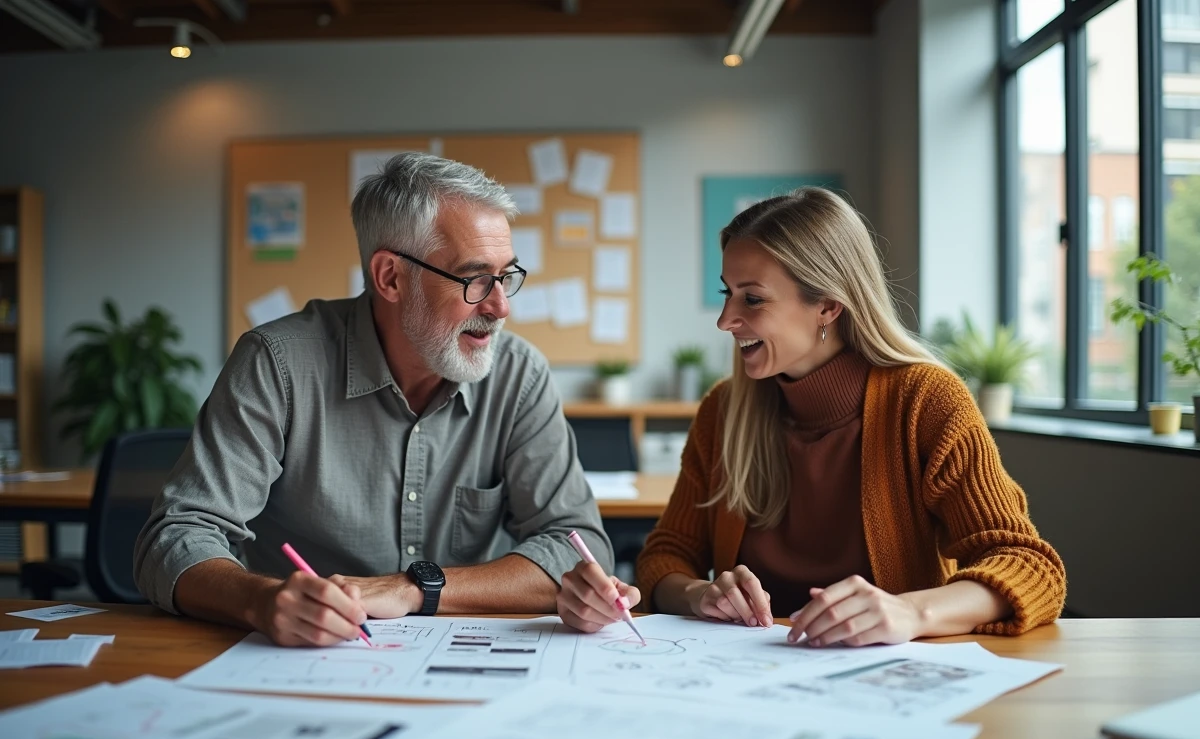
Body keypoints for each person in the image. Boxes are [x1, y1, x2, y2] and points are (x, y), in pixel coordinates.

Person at [134, 153, 623, 646]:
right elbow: (174, 537)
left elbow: (579, 547)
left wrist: (415, 589)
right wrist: (262, 600)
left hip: (467, 660)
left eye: (507, 275)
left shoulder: (518, 374)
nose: (501, 306)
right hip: (305, 658)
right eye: (475, 279)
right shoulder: (278, 363)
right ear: (390, 277)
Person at [614, 187, 1064, 646]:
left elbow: (1029, 566)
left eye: (752, 299)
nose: (725, 319)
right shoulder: (724, 410)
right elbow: (664, 557)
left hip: (885, 682)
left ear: (828, 306)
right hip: (749, 678)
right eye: (727, 293)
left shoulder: (926, 401)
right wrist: (699, 594)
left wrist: (911, 612)